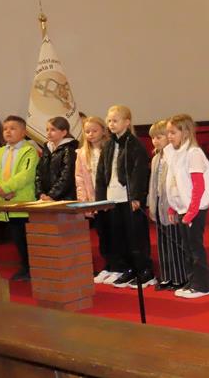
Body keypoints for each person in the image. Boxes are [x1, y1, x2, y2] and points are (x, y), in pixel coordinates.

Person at [95, 105, 155, 289]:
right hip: (112, 198)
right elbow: (101, 173)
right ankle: (128, 268)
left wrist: (136, 197)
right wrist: (101, 199)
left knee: (135, 236)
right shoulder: (108, 145)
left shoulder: (134, 144)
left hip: (129, 198)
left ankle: (144, 271)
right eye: (109, 120)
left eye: (115, 120)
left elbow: (139, 172)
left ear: (127, 122)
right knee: (119, 236)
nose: (111, 124)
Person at [165, 113, 209, 299]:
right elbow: (174, 183)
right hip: (183, 207)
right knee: (186, 248)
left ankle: (202, 285)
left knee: (195, 248)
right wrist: (173, 206)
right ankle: (192, 281)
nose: (169, 136)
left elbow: (198, 186)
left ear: (185, 132)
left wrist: (192, 211)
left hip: (195, 208)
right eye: (168, 133)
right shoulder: (174, 153)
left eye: (173, 132)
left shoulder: (194, 154)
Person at [0, 115, 39, 281]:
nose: (8, 131)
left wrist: (7, 188)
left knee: (27, 237)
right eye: (5, 129)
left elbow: (26, 174)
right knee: (16, 237)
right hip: (5, 201)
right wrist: (0, 189)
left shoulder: (29, 151)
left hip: (22, 200)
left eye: (13, 128)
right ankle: (24, 266)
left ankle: (33, 268)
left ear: (23, 132)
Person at [75, 116, 118, 284]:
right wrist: (83, 200)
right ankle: (108, 265)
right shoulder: (81, 153)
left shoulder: (110, 148)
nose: (90, 134)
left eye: (94, 131)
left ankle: (118, 266)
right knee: (102, 233)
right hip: (93, 200)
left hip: (110, 198)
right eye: (87, 131)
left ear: (103, 131)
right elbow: (79, 178)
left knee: (114, 232)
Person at [147, 120, 188, 291]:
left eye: (159, 137)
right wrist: (151, 204)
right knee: (162, 242)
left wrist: (174, 204)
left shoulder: (175, 157)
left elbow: (176, 184)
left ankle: (179, 277)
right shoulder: (156, 158)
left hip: (171, 204)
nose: (155, 141)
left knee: (175, 242)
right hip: (158, 204)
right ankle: (166, 276)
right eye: (153, 138)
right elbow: (152, 184)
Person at [35, 116, 78, 202]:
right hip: (45, 197)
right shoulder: (47, 149)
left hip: (64, 198)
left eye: (53, 130)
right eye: (47, 130)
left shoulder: (69, 150)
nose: (49, 133)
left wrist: (52, 195)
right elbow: (39, 173)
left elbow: (66, 176)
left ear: (64, 132)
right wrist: (40, 193)